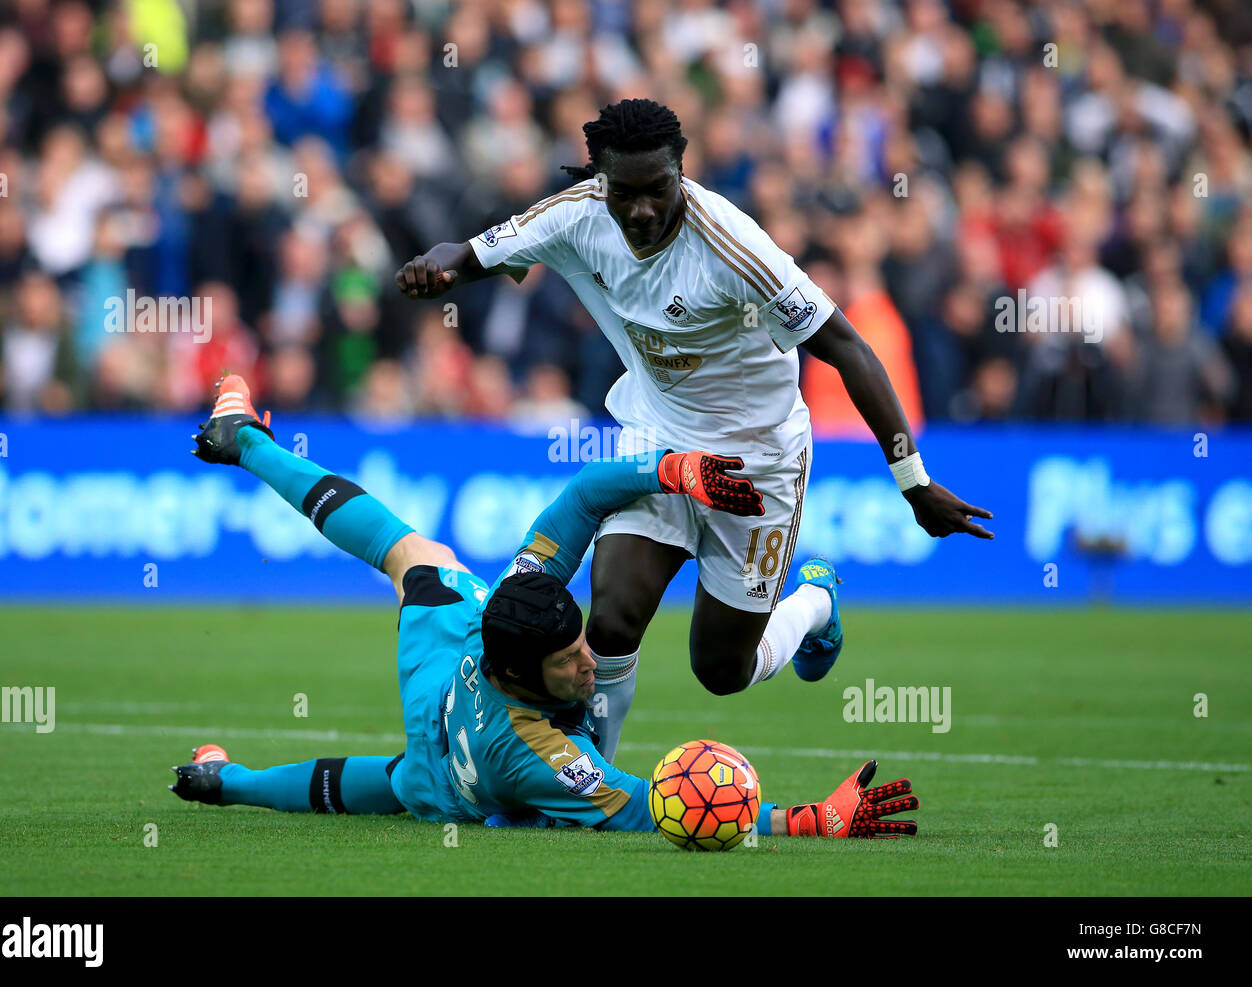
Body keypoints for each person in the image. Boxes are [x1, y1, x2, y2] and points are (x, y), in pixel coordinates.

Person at [395, 98, 993, 762]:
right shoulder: (577, 214)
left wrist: (914, 482)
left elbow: (848, 347)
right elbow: (474, 250)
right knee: (615, 612)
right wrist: (438, 265)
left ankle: (817, 603)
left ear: (682, 169)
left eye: (659, 190)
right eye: (626, 194)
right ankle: (594, 779)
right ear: (602, 182)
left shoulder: (734, 246)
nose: (643, 210)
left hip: (756, 461)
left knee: (720, 668)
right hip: (657, 438)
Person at [171, 375, 919, 839]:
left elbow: (587, 492)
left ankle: (247, 446)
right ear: (523, 675)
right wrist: (808, 820)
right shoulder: (534, 751)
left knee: (414, 560)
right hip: (470, 770)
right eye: (569, 659)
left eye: (579, 643)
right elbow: (653, 804)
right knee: (408, 786)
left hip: (440, 675)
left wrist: (673, 468)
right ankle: (818, 593)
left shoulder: (517, 600)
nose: (588, 657)